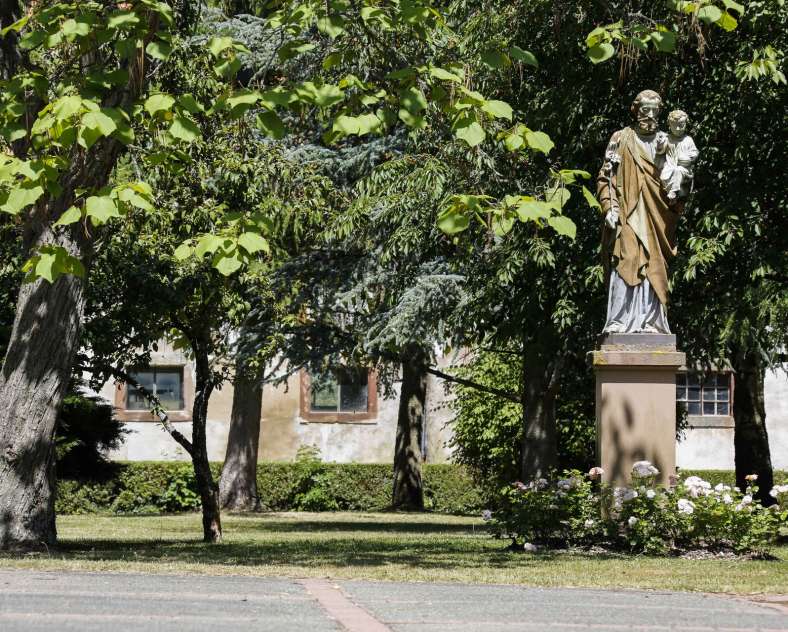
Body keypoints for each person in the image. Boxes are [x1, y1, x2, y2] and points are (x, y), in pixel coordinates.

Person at [597, 90, 689, 334]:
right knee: (625, 258)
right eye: (644, 110)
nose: (649, 116)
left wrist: (681, 189)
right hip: (627, 213)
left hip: (658, 217)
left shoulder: (667, 142)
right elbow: (606, 177)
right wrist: (609, 207)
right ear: (635, 110)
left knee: (654, 266)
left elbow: (681, 179)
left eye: (654, 111)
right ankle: (618, 321)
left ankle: (651, 323)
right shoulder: (621, 138)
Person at [660, 110, 699, 201]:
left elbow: (695, 152)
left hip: (684, 169)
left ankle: (674, 192)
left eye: (681, 125)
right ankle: (674, 193)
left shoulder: (688, 139)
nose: (678, 129)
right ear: (669, 125)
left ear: (686, 124)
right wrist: (660, 145)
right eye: (674, 125)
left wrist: (689, 158)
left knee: (678, 170)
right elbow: (660, 152)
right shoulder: (667, 138)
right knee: (664, 176)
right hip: (670, 166)